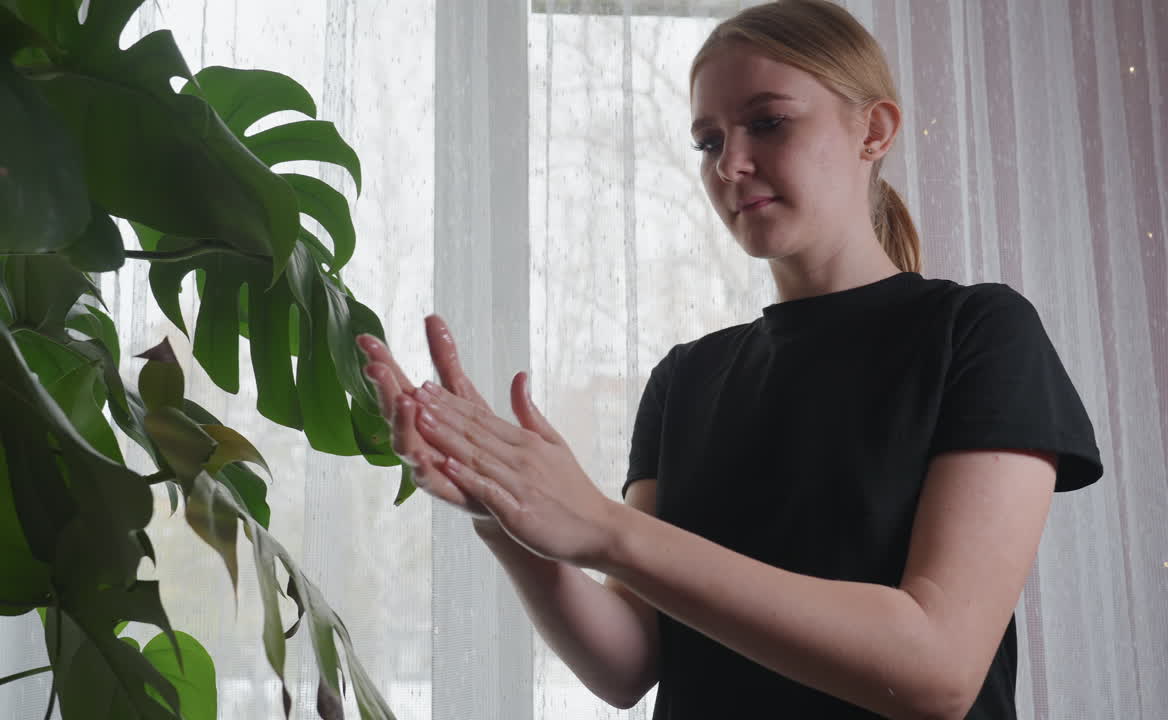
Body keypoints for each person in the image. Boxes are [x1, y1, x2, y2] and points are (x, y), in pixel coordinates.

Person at [358, 1, 1104, 717]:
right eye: (709, 141)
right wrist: (504, 513)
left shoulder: (979, 334)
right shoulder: (686, 378)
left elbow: (938, 670)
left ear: (873, 130)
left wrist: (604, 528)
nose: (731, 164)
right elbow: (627, 667)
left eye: (767, 123)